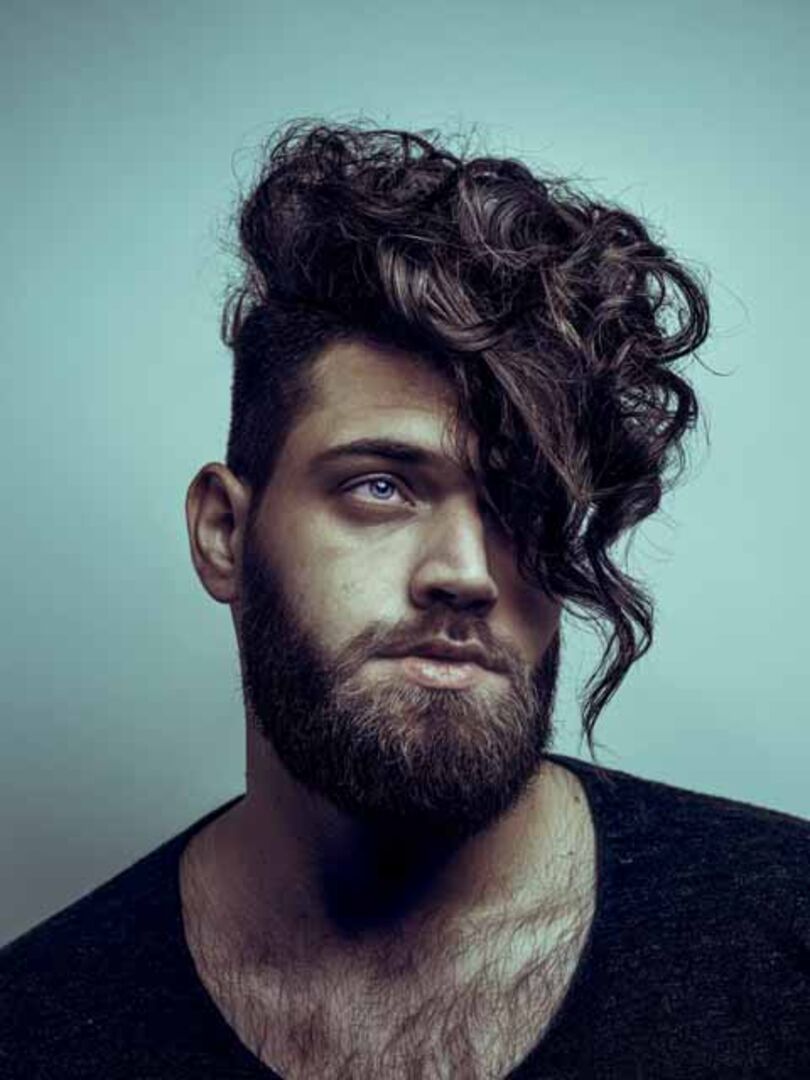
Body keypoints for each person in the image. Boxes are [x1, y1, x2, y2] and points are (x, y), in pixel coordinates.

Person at [1, 120, 808, 1080]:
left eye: (523, 500)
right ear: (223, 531)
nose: (465, 572)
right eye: (381, 486)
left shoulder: (785, 934)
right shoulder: (34, 1029)